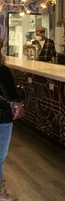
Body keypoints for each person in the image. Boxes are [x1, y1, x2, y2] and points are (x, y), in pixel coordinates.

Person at [0, 38, 24, 201]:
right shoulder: (2, 70)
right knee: (0, 155)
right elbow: (12, 96)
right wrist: (22, 92)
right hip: (1, 117)